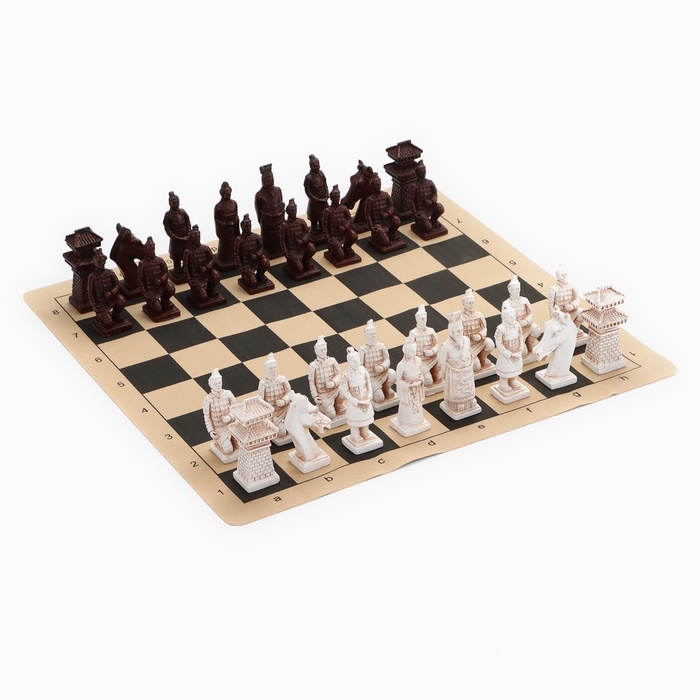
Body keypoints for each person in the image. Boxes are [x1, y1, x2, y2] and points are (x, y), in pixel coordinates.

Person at [340, 347, 382, 453]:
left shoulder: (363, 370)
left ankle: (365, 432)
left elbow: (368, 383)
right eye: (354, 361)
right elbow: (345, 390)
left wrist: (370, 395)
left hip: (365, 398)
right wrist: (353, 400)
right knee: (355, 419)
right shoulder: (345, 375)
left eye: (358, 360)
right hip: (354, 401)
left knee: (365, 417)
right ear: (349, 362)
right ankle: (355, 435)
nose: (357, 362)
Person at [438, 313, 480, 418]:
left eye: (461, 330)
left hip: (467, 371)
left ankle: (470, 401)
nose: (460, 333)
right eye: (458, 331)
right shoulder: (445, 346)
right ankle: (456, 404)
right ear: (451, 332)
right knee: (457, 391)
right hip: (454, 374)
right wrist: (445, 375)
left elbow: (469, 353)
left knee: (469, 387)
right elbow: (442, 363)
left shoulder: (466, 340)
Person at [392, 336, 430, 435]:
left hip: (417, 387)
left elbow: (420, 373)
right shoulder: (401, 365)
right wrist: (408, 384)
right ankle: (406, 422)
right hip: (408, 390)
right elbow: (398, 380)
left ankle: (418, 421)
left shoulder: (418, 360)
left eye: (415, 350)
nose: (414, 352)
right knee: (408, 406)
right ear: (407, 352)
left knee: (417, 405)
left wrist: (420, 380)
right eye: (412, 351)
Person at [137, 236, 178, 320]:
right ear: (145, 250)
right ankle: (151, 303)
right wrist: (144, 293)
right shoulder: (142, 264)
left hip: (162, 287)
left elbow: (166, 273)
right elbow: (140, 280)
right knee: (158, 311)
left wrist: (161, 280)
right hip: (150, 290)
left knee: (170, 287)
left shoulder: (160, 260)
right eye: (149, 249)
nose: (151, 251)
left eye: (153, 248)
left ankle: (165, 300)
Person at [87, 252, 129, 333]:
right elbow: (90, 292)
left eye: (103, 261)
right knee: (108, 323)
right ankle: (101, 317)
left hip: (112, 299)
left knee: (121, 300)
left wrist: (111, 293)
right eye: (99, 261)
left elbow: (117, 284)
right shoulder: (92, 277)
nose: (101, 263)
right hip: (101, 304)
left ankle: (115, 315)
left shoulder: (110, 272)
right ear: (95, 262)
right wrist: (93, 305)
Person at [202, 369, 238, 463]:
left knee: (241, 445)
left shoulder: (228, 394)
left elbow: (236, 408)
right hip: (218, 428)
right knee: (228, 450)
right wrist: (211, 431)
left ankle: (233, 440)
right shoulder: (208, 399)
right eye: (215, 384)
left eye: (219, 382)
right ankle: (219, 443)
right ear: (210, 385)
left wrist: (230, 417)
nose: (218, 385)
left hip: (232, 424)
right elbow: (207, 417)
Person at [359, 319, 397, 407]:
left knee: (393, 374)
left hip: (383, 374)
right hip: (371, 378)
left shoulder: (381, 346)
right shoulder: (363, 350)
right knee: (380, 399)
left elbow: (387, 359)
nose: (373, 336)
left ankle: (386, 389)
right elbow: (360, 367)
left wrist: (382, 367)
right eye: (370, 334)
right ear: (366, 335)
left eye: (374, 334)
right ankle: (373, 392)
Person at [308, 336, 346, 422]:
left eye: (324, 349)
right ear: (316, 351)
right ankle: (322, 408)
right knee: (331, 415)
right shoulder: (313, 365)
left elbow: (339, 375)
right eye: (321, 350)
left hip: (335, 389)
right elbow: (312, 382)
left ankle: (338, 405)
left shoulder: (332, 361)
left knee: (344, 391)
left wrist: (334, 383)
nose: (323, 352)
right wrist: (315, 396)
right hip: (323, 394)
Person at [502, 275, 540, 359]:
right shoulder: (506, 304)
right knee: (523, 353)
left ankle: (529, 343)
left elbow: (531, 313)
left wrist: (526, 321)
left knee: (536, 329)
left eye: (518, 289)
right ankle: (521, 344)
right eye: (514, 289)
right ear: (509, 290)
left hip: (526, 327)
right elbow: (505, 319)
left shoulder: (525, 300)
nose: (517, 291)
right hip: (515, 331)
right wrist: (517, 324)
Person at [257, 352, 292, 442]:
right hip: (273, 412)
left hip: (286, 408)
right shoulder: (263, 384)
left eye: (274, 367)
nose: (273, 370)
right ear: (266, 369)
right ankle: (278, 424)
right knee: (282, 433)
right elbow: (260, 401)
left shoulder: (282, 379)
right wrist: (267, 414)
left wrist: (284, 401)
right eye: (270, 368)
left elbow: (290, 393)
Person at [183, 225, 222, 305]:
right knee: (203, 298)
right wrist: (189, 280)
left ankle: (210, 290)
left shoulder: (205, 248)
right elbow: (186, 267)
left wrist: (206, 267)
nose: (197, 239)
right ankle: (196, 291)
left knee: (216, 274)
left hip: (207, 274)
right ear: (191, 239)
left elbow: (212, 260)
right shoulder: (188, 252)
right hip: (196, 278)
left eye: (198, 237)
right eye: (194, 238)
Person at [234, 214, 273, 293]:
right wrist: (240, 266)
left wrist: (256, 255)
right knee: (253, 283)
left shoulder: (256, 237)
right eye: (246, 226)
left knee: (265, 262)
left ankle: (260, 274)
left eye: (249, 226)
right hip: (246, 265)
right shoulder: (239, 240)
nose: (248, 228)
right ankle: (246, 276)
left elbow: (262, 248)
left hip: (257, 261)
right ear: (242, 227)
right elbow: (237, 254)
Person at [279, 198, 318, 278]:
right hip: (292, 250)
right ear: (287, 212)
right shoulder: (284, 226)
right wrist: (286, 253)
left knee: (311, 247)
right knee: (300, 270)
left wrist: (303, 240)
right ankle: (292, 263)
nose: (293, 212)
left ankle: (306, 261)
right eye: (291, 211)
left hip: (302, 247)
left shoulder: (301, 221)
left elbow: (308, 233)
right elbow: (282, 241)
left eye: (295, 210)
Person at [322, 184, 359, 266]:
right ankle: (332, 250)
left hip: (344, 233)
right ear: (331, 198)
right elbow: (324, 226)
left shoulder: (344, 208)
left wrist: (345, 227)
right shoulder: (327, 211)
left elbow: (350, 220)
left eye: (338, 196)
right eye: (335, 197)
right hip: (334, 236)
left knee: (353, 235)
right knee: (341, 257)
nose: (337, 198)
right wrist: (328, 238)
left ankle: (347, 247)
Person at [493, 305, 526, 395]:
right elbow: (499, 344)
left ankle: (513, 381)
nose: (512, 318)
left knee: (515, 368)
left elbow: (520, 337)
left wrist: (520, 349)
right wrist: (508, 353)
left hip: (516, 351)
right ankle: (503, 383)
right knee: (506, 369)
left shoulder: (517, 325)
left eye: (513, 316)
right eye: (510, 317)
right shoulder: (500, 329)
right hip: (506, 354)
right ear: (504, 317)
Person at [254, 164, 285, 258]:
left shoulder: (278, 190)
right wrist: (263, 222)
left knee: (281, 237)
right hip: (268, 224)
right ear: (263, 181)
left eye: (272, 180)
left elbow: (281, 203)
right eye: (267, 181)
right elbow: (259, 213)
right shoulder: (259, 195)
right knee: (270, 241)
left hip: (279, 220)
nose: (270, 182)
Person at [460, 288, 495, 372]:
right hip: (468, 346)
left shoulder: (478, 315)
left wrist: (480, 335)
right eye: (469, 303)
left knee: (490, 343)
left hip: (479, 342)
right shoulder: (460, 317)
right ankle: (473, 360)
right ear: (464, 304)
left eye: (472, 303)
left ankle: (482, 358)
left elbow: (484, 328)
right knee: (476, 368)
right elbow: (457, 334)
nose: (471, 305)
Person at [364, 175, 403, 250]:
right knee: (386, 243)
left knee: (396, 220)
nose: (378, 186)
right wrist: (372, 227)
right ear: (372, 186)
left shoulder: (385, 195)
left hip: (387, 220)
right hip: (377, 224)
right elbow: (367, 214)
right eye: (376, 185)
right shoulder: (370, 200)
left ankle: (391, 233)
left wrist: (387, 213)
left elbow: (392, 207)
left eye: (379, 184)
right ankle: (377, 237)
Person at [548, 264, 585, 340]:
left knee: (582, 312)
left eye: (565, 274)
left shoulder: (572, 286)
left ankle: (575, 328)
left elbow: (577, 299)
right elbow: (550, 306)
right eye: (562, 275)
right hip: (560, 315)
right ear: (557, 276)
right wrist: (553, 320)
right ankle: (563, 331)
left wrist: (572, 306)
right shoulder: (553, 289)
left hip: (572, 312)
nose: (564, 276)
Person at [409, 305, 442, 388]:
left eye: (425, 319)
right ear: (417, 319)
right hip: (421, 361)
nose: (424, 321)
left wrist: (432, 351)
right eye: (422, 319)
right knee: (428, 382)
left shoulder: (431, 331)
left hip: (432, 358)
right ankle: (425, 376)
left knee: (442, 360)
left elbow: (437, 344)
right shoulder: (413, 333)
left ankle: (435, 373)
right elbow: (409, 349)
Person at [410, 161, 446, 237]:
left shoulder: (430, 183)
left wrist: (431, 201)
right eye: (420, 172)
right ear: (416, 173)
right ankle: (420, 223)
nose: (422, 173)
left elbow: (435, 194)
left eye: (423, 171)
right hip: (421, 211)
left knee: (440, 207)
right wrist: (415, 212)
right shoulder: (414, 186)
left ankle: (433, 220)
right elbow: (412, 201)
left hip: (431, 207)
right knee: (428, 228)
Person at [162, 191, 191, 281]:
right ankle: (177, 269)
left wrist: (188, 233)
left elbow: (188, 222)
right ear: (170, 203)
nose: (176, 204)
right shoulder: (168, 215)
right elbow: (167, 229)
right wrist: (175, 237)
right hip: (176, 240)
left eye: (177, 202)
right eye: (174, 203)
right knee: (177, 256)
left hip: (185, 238)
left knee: (187, 255)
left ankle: (187, 269)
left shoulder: (182, 212)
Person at [213, 181, 239, 270]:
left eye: (229, 194)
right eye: (226, 194)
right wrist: (225, 224)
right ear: (222, 194)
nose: (228, 196)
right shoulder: (218, 206)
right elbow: (217, 220)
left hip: (233, 228)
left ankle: (236, 257)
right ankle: (224, 259)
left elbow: (236, 215)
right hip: (224, 230)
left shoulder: (234, 203)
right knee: (225, 247)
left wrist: (235, 221)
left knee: (235, 244)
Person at [303, 154, 329, 242]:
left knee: (323, 216)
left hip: (323, 199)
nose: (316, 166)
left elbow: (325, 185)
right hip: (314, 201)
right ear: (311, 166)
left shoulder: (321, 173)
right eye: (314, 165)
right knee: (314, 217)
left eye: (317, 164)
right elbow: (307, 191)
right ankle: (314, 231)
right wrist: (314, 198)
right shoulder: (308, 177)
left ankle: (322, 229)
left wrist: (327, 194)